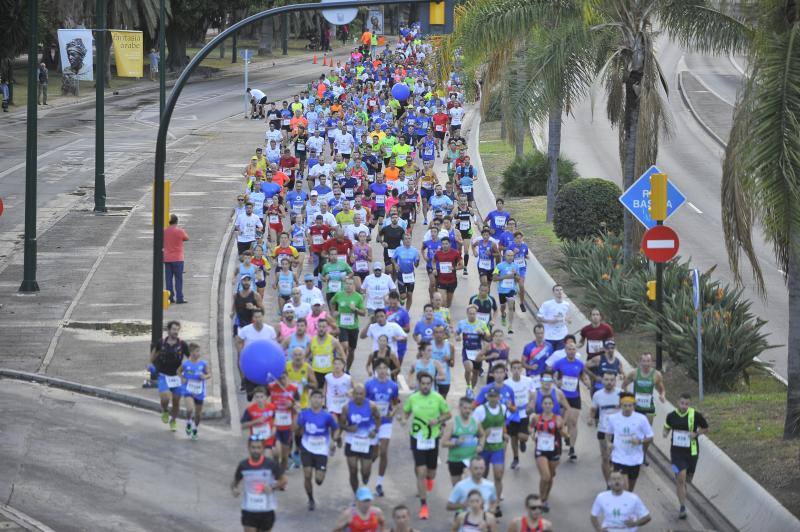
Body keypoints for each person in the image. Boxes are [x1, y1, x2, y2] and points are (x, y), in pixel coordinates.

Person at [400, 371, 451, 519]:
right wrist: (403, 419)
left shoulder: (438, 398)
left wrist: (438, 420)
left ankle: (429, 479)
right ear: (419, 384)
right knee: (421, 470)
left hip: (432, 438)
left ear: (432, 384)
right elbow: (406, 412)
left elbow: (448, 415)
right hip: (417, 437)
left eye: (428, 384)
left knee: (431, 472)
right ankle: (423, 506)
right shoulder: (413, 398)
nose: (426, 386)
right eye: (423, 384)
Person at [663, 393, 709, 519]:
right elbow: (666, 428)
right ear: (678, 402)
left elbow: (706, 428)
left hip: (692, 453)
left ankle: (682, 490)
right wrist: (665, 433)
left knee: (687, 480)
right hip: (676, 453)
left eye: (687, 404)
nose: (684, 406)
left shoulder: (695, 415)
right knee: (680, 479)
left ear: (689, 404)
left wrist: (696, 434)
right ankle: (682, 507)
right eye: (682, 403)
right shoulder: (671, 416)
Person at [231, 437, 288, 532]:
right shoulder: (243, 465)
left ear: (263, 448)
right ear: (248, 448)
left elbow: (284, 480)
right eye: (253, 447)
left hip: (267, 509)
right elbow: (234, 483)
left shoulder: (270, 464)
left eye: (258, 447)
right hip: (249, 509)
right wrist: (234, 489)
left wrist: (272, 487)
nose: (256, 450)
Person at [296, 390, 338, 511]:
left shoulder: (327, 416)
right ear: (310, 400)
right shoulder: (304, 414)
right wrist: (297, 414)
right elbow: (296, 428)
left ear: (322, 400)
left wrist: (333, 441)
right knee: (307, 474)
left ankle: (320, 474)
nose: (316, 400)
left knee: (319, 480)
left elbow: (335, 429)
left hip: (321, 449)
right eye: (314, 397)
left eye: (319, 398)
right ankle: (310, 499)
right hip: (307, 447)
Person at [623, 352, 666, 465]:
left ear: (651, 362)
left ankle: (643, 454)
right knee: (634, 431)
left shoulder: (656, 375)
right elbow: (624, 385)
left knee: (648, 434)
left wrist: (662, 396)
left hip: (649, 407)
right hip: (636, 407)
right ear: (640, 362)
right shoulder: (634, 373)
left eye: (649, 361)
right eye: (644, 361)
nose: (647, 363)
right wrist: (628, 397)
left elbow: (662, 389)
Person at [471, 387, 509, 514]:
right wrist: (482, 433)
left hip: (498, 447)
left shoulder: (503, 408)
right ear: (487, 397)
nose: (493, 399)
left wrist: (504, 434)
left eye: (495, 396)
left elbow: (503, 423)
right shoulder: (480, 410)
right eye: (491, 396)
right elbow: (473, 427)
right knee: (483, 475)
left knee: (498, 475)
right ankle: (481, 501)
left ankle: (496, 504)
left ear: (499, 397)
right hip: (485, 447)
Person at [606, 392, 654, 492]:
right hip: (619, 457)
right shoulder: (613, 418)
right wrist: (608, 443)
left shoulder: (641, 419)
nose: (627, 408)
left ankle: (624, 500)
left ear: (634, 406)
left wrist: (640, 441)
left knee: (630, 490)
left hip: (635, 458)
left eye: (630, 406)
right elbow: (608, 433)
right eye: (625, 406)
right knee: (624, 487)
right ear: (620, 405)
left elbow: (650, 437)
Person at [365, 358, 400, 497]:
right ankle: (367, 473)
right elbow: (363, 403)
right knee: (373, 453)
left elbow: (395, 403)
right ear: (375, 370)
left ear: (388, 370)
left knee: (384, 451)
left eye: (385, 368)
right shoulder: (368, 385)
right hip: (372, 423)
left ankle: (379, 483)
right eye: (379, 368)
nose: (382, 371)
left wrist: (393, 411)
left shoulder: (393, 386)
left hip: (385, 422)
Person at [341, 383, 382, 495]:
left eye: (361, 394)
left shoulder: (371, 406)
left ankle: (365, 478)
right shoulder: (346, 407)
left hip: (366, 441)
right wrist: (348, 428)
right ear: (353, 394)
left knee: (365, 472)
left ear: (365, 394)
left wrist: (375, 430)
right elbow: (341, 424)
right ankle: (356, 495)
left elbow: (378, 418)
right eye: (357, 394)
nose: (359, 396)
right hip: (351, 441)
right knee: (353, 470)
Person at [550, 340, 587, 460]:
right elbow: (550, 374)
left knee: (573, 422)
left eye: (573, 349)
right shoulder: (559, 363)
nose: (571, 351)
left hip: (575, 396)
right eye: (569, 349)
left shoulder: (579, 364)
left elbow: (582, 376)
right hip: (562, 396)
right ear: (565, 351)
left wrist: (586, 382)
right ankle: (563, 437)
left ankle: (572, 448)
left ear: (576, 351)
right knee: (562, 422)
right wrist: (557, 382)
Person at [149, 320, 190, 430]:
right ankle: (165, 410)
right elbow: (153, 354)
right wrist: (150, 364)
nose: (176, 332)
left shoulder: (182, 344)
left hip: (176, 377)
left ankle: (173, 421)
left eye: (177, 330)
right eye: (173, 329)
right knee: (166, 398)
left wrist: (188, 370)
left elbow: (190, 359)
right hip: (163, 376)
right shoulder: (161, 343)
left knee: (176, 401)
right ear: (168, 330)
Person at [441, 396, 485, 485]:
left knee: (471, 486)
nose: (468, 411)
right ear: (459, 408)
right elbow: (443, 443)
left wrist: (481, 445)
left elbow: (482, 435)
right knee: (457, 487)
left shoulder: (475, 422)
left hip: (471, 459)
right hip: (455, 459)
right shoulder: (452, 423)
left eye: (470, 408)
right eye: (465, 408)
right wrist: (455, 442)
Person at [589, 372, 622, 484]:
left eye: (612, 380)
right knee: (605, 458)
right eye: (606, 380)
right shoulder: (597, 395)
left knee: (616, 458)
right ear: (602, 381)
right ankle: (609, 482)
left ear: (615, 381)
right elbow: (593, 409)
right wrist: (591, 418)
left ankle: (614, 476)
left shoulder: (621, 394)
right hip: (603, 429)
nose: (609, 382)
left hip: (617, 432)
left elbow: (629, 410)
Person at [330, 277, 366, 370]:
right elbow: (332, 302)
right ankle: (341, 367)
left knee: (351, 350)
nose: (348, 286)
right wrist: (334, 312)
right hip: (341, 325)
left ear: (354, 285)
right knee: (344, 345)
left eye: (350, 284)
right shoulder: (339, 295)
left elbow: (363, 313)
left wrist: (356, 309)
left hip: (353, 326)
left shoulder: (358, 297)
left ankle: (347, 369)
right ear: (344, 285)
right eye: (346, 284)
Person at [506, 359, 534, 470]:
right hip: (512, 413)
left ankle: (523, 441)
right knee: (513, 437)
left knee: (523, 436)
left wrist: (531, 404)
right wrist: (509, 407)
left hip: (524, 412)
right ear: (511, 370)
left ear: (522, 369)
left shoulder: (528, 380)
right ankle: (515, 458)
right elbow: (505, 398)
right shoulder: (507, 383)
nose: (517, 371)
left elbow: (532, 394)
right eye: (514, 368)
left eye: (518, 368)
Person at [178, 342, 210, 440]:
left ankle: (195, 428)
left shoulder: (203, 364)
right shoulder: (185, 364)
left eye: (199, 351)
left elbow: (209, 374)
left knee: (198, 414)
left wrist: (204, 376)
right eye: (197, 351)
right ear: (191, 352)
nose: (199, 353)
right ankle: (188, 421)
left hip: (199, 391)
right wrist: (182, 377)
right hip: (188, 390)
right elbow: (178, 371)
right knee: (190, 409)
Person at [536, 285, 571, 352]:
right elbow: (539, 317)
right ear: (553, 292)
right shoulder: (547, 304)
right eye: (557, 290)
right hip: (549, 336)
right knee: (548, 357)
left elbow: (569, 319)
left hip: (562, 336)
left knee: (558, 358)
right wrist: (550, 321)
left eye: (561, 290)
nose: (559, 292)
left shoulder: (567, 305)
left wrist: (568, 320)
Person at [164, 214, 189, 304]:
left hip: (167, 259)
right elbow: (186, 238)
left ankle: (170, 297)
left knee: (168, 279)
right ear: (176, 221)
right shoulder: (180, 231)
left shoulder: (165, 231)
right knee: (178, 279)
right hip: (178, 259)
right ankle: (179, 298)